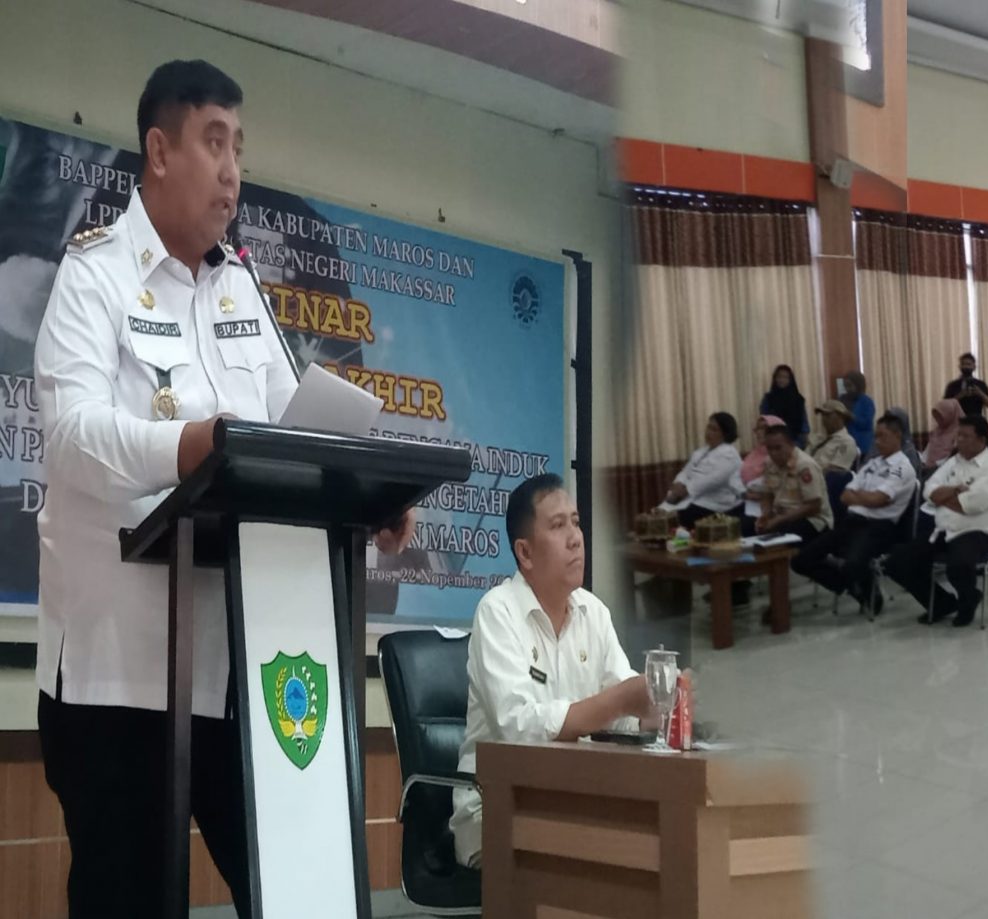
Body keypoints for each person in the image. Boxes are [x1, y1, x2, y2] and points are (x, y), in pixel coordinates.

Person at [28, 60, 374, 916]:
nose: (232, 171)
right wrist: (187, 446)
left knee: (297, 899)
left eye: (239, 148)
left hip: (241, 670)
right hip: (119, 677)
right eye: (214, 142)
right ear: (159, 150)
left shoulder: (240, 286)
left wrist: (364, 491)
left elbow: (290, 436)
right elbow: (72, 437)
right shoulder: (95, 275)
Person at [451, 475, 652, 870]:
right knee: (612, 857)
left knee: (652, 845)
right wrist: (619, 701)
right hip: (496, 806)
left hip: (573, 800)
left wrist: (653, 709)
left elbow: (624, 714)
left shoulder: (594, 612)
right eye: (558, 526)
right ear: (525, 553)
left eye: (576, 522)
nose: (575, 538)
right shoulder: (497, 611)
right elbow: (519, 727)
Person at [884, 415, 988, 627]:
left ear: (982, 440)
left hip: (978, 530)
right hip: (944, 528)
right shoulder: (954, 462)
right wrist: (953, 491)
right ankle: (942, 603)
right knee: (897, 562)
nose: (959, 440)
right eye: (959, 435)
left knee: (958, 564)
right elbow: (928, 490)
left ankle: (968, 599)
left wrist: (942, 498)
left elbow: (971, 505)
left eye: (965, 436)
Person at [791, 414, 918, 611]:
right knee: (800, 560)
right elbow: (845, 496)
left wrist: (862, 497)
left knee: (853, 564)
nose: (877, 441)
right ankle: (848, 585)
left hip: (880, 527)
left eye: (882, 436)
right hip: (852, 522)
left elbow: (879, 499)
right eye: (876, 436)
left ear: (897, 435)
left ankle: (868, 593)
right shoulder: (872, 464)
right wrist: (868, 497)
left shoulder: (900, 467)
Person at [658, 412, 745, 528]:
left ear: (725, 433)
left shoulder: (729, 455)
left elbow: (709, 481)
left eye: (714, 430)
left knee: (674, 519)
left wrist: (684, 490)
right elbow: (685, 472)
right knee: (659, 514)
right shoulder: (701, 452)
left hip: (714, 505)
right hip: (691, 498)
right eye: (708, 427)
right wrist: (678, 483)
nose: (708, 432)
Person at [755, 425, 833, 546]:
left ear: (791, 444)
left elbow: (814, 505)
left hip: (811, 520)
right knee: (748, 528)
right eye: (769, 448)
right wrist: (766, 515)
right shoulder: (769, 463)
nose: (773, 453)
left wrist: (779, 520)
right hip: (781, 517)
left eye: (778, 448)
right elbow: (767, 494)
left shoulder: (805, 465)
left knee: (780, 538)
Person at [760, 364, 809, 447]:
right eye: (779, 377)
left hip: (796, 440)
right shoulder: (768, 399)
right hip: (773, 439)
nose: (782, 380)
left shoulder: (798, 399)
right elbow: (764, 420)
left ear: (791, 380)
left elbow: (804, 420)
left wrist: (805, 436)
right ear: (775, 379)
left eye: (785, 377)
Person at [809, 399, 860, 473]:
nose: (823, 419)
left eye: (827, 415)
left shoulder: (847, 442)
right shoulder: (818, 438)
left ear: (840, 417)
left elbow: (836, 472)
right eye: (822, 415)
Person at [842, 370, 877, 456]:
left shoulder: (866, 401)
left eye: (850, 386)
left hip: (862, 443)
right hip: (846, 442)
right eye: (845, 386)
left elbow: (867, 423)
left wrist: (852, 416)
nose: (847, 389)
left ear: (858, 385)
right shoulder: (842, 399)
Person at [923, 398, 963, 470]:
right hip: (928, 468)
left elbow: (955, 456)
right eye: (936, 417)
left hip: (948, 469)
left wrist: (935, 465)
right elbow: (928, 451)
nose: (937, 420)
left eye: (940, 417)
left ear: (950, 415)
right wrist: (923, 462)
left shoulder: (960, 433)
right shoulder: (936, 431)